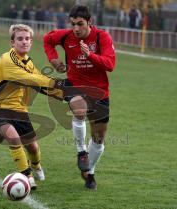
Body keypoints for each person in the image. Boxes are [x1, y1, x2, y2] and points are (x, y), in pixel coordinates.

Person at [43, 5, 116, 190]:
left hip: (100, 91)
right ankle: (81, 151)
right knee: (79, 109)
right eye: (73, 24)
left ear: (89, 22)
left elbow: (110, 64)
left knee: (99, 139)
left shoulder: (102, 37)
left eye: (80, 24)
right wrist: (53, 59)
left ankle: (90, 172)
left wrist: (89, 55)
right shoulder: (66, 36)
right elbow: (47, 40)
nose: (76, 28)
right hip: (75, 85)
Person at [0, 24, 63, 190]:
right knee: (13, 137)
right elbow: (31, 80)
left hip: (19, 111)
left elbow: (39, 82)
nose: (24, 42)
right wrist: (61, 83)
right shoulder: (7, 60)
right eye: (20, 39)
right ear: (12, 43)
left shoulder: (28, 62)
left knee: (33, 148)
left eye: (27, 39)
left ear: (31, 42)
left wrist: (64, 94)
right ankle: (27, 177)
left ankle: (36, 165)